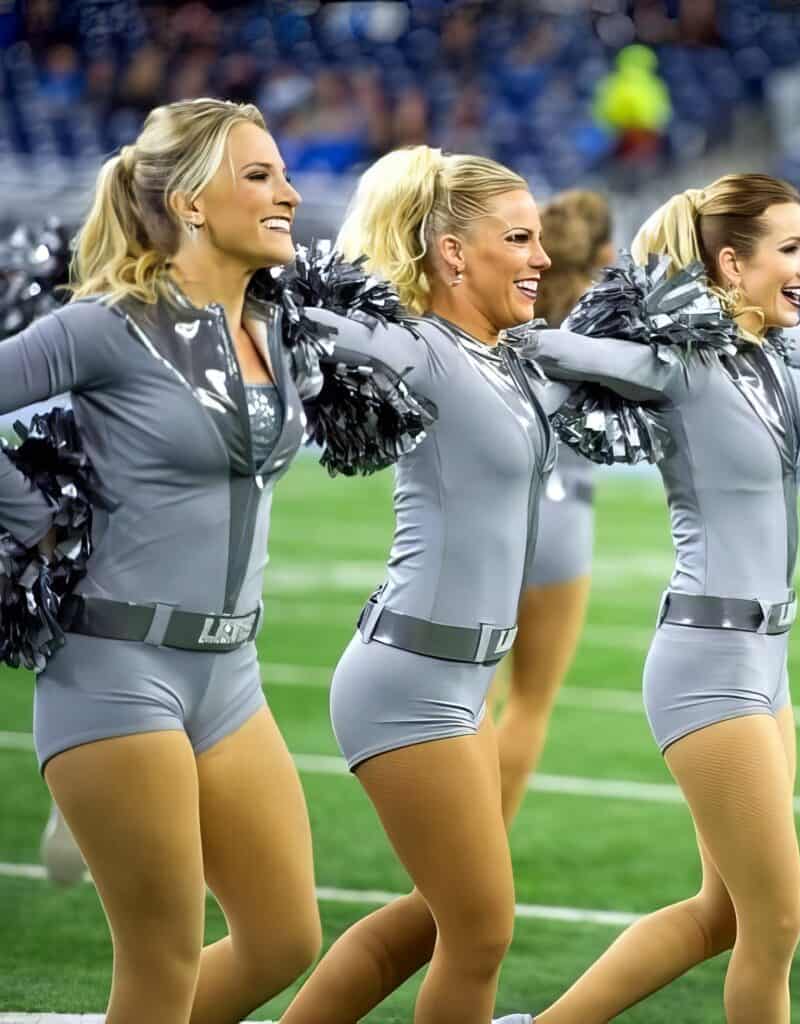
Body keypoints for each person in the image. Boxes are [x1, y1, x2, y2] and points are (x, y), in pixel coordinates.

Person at [0, 98, 425, 1024]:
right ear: (190, 203)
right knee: (160, 967)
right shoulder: (108, 324)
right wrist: (36, 522)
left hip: (230, 676)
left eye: (284, 175)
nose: (290, 194)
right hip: (117, 671)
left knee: (283, 939)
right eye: (260, 176)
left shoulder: (275, 326)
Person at [495, 175, 800, 1024]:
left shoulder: (782, 360)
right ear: (733, 264)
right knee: (776, 922)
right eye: (790, 250)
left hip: (767, 666)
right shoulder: (679, 369)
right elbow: (550, 348)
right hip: (708, 667)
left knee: (723, 916)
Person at [276, 144, 561, 1024]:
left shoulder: (503, 356)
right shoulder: (419, 346)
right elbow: (284, 317)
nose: (542, 256)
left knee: (430, 923)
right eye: (519, 238)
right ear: (453, 254)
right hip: (409, 682)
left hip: (461, 683)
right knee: (480, 932)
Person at [493, 189, 614, 824]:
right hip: (565, 513)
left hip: (491, 510)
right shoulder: (609, 321)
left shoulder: (504, 303)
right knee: (530, 704)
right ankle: (486, 850)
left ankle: (452, 856)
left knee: (463, 702)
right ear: (606, 254)